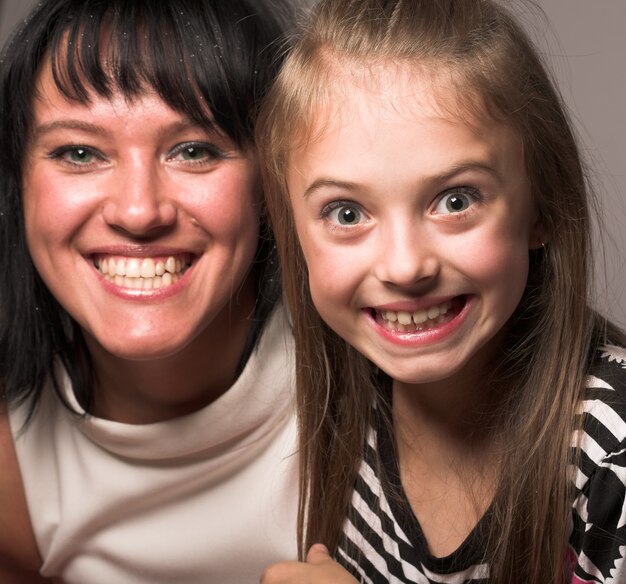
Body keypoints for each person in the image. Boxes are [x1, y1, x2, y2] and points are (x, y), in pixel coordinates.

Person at [257, 0, 626, 582]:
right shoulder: (358, 387)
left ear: (542, 206)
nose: (405, 267)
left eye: (456, 200)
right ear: (291, 230)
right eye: (347, 212)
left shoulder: (612, 462)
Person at [0, 0, 300, 582]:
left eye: (194, 150)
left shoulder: (396, 396)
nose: (139, 211)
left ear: (272, 179)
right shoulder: (9, 475)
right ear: (19, 184)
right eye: (79, 153)